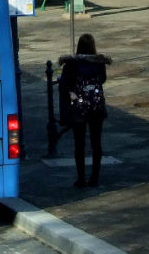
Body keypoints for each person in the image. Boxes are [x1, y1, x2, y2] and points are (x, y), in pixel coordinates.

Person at [59, 33, 112, 188]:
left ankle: (81, 178)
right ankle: (94, 177)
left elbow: (65, 84)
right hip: (96, 107)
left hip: (79, 107)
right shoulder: (99, 63)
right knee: (96, 142)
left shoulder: (72, 64)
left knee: (79, 144)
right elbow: (102, 79)